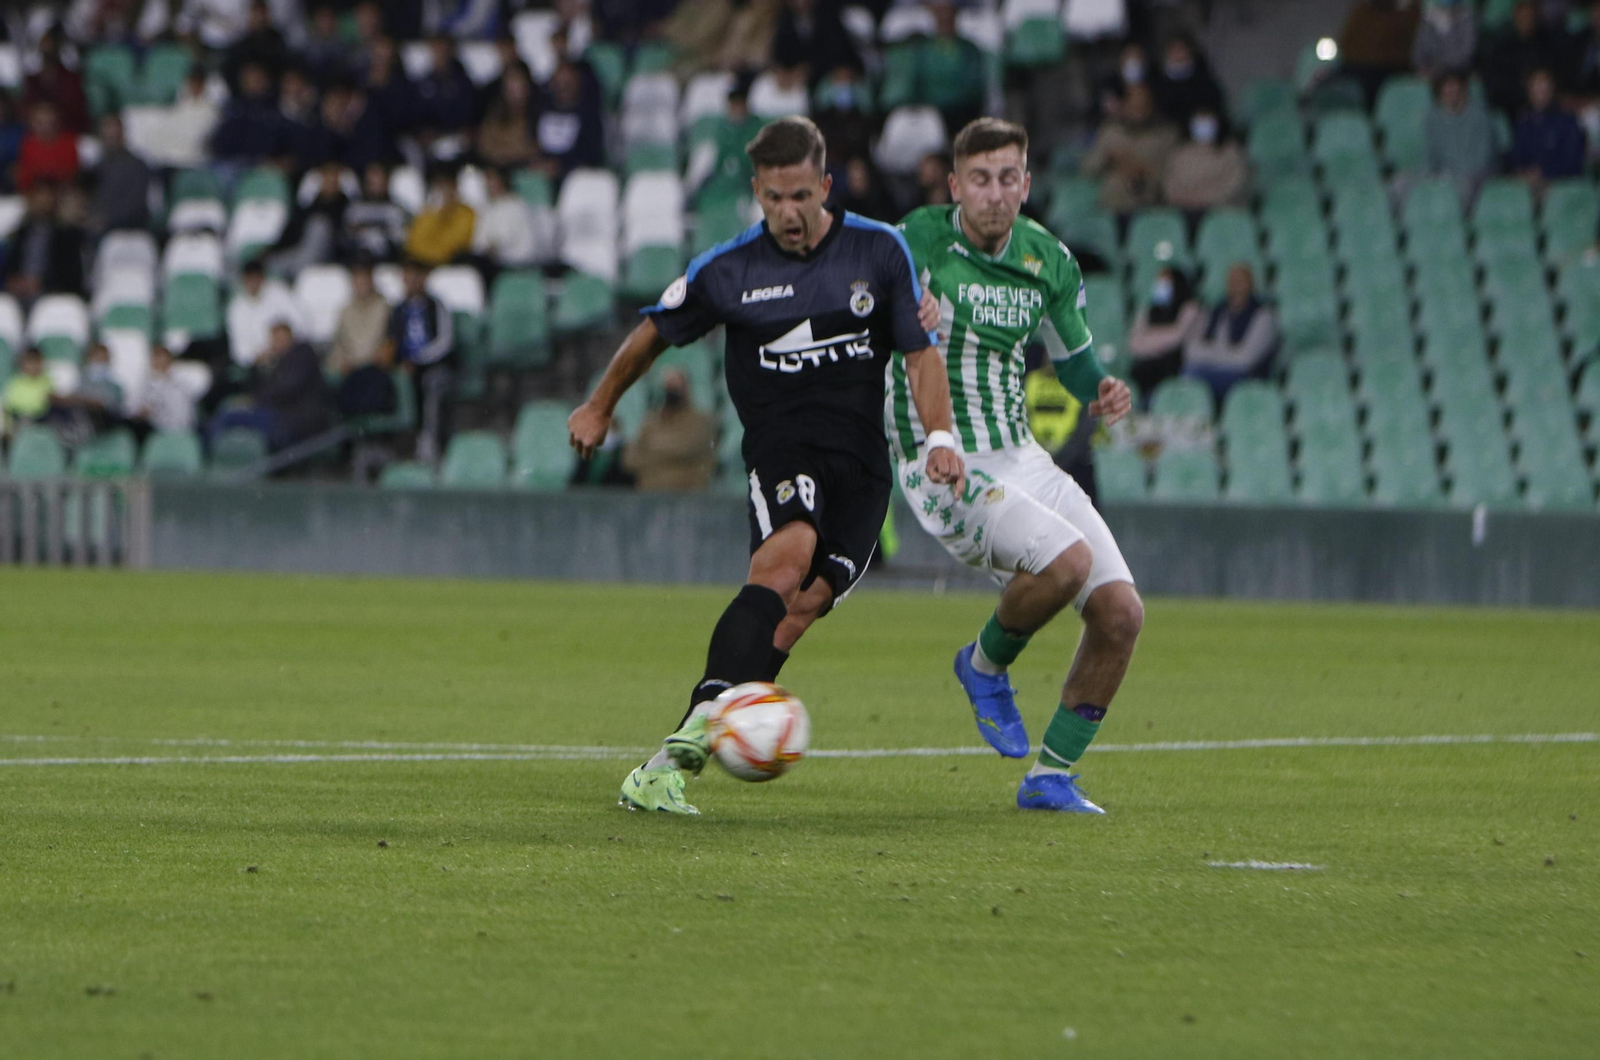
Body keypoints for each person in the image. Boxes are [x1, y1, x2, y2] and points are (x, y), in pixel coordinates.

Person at [567, 116, 961, 814]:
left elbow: (920, 352)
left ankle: (673, 758)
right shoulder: (729, 269)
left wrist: (939, 437)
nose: (789, 212)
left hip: (862, 467)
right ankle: (697, 728)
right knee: (784, 564)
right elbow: (653, 334)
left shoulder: (878, 250)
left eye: (801, 196)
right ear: (757, 192)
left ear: (825, 187)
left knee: (800, 608)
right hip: (783, 445)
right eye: (775, 198)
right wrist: (600, 406)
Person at [893, 118, 1141, 815]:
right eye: (980, 179)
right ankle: (984, 664)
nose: (995, 194)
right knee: (1066, 563)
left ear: (1026, 184)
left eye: (1008, 179)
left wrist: (1101, 388)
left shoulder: (1049, 260)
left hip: (1020, 456)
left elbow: (1076, 362)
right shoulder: (912, 242)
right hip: (940, 458)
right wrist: (895, 313)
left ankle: (1050, 777)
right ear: (954, 186)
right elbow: (857, 311)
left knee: (1121, 613)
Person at [209, 321, 337, 451]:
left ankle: (208, 449)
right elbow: (256, 388)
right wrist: (257, 367)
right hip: (277, 414)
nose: (278, 343)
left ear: (291, 338)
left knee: (231, 416)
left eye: (281, 338)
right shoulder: (277, 361)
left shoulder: (302, 354)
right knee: (228, 411)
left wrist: (253, 400)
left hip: (296, 419)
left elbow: (288, 389)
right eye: (275, 340)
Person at [384, 259, 454, 462]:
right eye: (408, 277)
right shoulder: (398, 310)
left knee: (432, 383)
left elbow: (445, 342)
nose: (412, 281)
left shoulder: (436, 306)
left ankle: (428, 439)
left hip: (434, 365)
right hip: (407, 367)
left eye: (416, 276)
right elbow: (392, 341)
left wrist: (418, 360)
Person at [1182, 263, 1279, 404]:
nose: (1235, 285)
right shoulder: (1215, 312)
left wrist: (1210, 352)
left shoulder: (1263, 316)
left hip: (1247, 380)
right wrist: (1228, 352)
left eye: (1240, 281)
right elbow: (1191, 351)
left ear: (1251, 284)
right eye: (1232, 281)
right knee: (1188, 373)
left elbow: (1245, 360)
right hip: (1212, 372)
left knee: (1193, 375)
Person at [1080, 82, 1178, 215]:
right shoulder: (1110, 133)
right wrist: (1107, 157)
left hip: (1150, 210)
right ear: (1124, 105)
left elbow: (1173, 176)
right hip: (1112, 208)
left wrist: (1142, 173)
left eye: (1144, 105)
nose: (1139, 111)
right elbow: (1088, 169)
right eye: (1134, 105)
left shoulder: (1166, 136)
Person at [623, 369, 717, 491]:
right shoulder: (650, 421)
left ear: (686, 389)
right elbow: (629, 459)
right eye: (668, 387)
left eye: (675, 387)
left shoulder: (700, 421)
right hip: (649, 494)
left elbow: (684, 449)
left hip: (686, 495)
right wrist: (667, 453)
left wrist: (651, 448)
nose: (671, 392)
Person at [3, 182, 87, 303]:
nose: (42, 201)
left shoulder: (67, 236)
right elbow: (9, 267)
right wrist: (14, 281)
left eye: (47, 196)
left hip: (52, 296)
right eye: (38, 196)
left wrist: (41, 283)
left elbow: (72, 276)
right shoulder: (21, 232)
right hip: (18, 296)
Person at [1425, 70, 1498, 206]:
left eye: (1455, 88)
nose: (1451, 93)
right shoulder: (1433, 120)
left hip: (1471, 181)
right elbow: (1431, 160)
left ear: (1463, 90)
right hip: (1442, 179)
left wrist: (1453, 177)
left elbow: (1483, 163)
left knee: (1459, 188)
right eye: (1446, 89)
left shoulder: (1481, 119)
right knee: (1400, 184)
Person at [1510, 67, 1587, 192]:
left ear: (1552, 89)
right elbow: (1517, 158)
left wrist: (1545, 173)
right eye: (1535, 87)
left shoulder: (1567, 121)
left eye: (1544, 87)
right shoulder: (1524, 122)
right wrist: (1525, 173)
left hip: (1560, 186)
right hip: (1527, 185)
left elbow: (1573, 162)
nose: (1539, 92)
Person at [1128, 265, 1200, 398]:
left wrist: (1148, 336)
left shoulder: (1189, 307)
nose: (1161, 286)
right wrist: (1159, 340)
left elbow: (1176, 337)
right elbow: (1134, 343)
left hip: (1175, 365)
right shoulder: (1147, 308)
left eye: (1166, 283)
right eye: (1159, 282)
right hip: (1145, 365)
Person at [1482, 0, 1564, 115]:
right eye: (1523, 15)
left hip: (1544, 107)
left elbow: (1552, 76)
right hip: (1509, 109)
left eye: (1529, 15)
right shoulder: (1501, 44)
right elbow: (1495, 84)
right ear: (1515, 15)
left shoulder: (1546, 42)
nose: (1526, 19)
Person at [1337, 0, 1423, 107]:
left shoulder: (1405, 16)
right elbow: (1346, 44)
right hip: (1360, 67)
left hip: (1390, 69)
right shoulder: (1362, 12)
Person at [1162, 108, 1250, 212]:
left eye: (1207, 122)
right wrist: (1184, 199)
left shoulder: (1231, 152)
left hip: (1220, 211)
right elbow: (1170, 184)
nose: (1203, 127)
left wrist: (1202, 199)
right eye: (1199, 123)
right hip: (1182, 210)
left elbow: (1233, 185)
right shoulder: (1179, 154)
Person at [227, 259, 307, 369]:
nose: (253, 284)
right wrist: (259, 357)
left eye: (256, 279)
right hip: (258, 365)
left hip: (289, 355)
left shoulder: (279, 293)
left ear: (262, 278)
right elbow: (239, 350)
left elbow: (300, 324)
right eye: (249, 280)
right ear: (243, 281)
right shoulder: (236, 308)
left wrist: (283, 342)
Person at [87, 114, 152, 235]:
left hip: (129, 229)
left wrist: (106, 220)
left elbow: (136, 204)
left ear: (122, 135)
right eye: (107, 137)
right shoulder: (95, 168)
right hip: (96, 227)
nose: (111, 141)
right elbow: (90, 200)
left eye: (115, 136)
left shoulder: (137, 166)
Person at [471, 166, 542, 272]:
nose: (488, 185)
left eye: (492, 180)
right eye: (486, 181)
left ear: (503, 181)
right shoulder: (487, 208)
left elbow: (503, 240)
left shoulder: (516, 205)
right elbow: (479, 241)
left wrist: (488, 250)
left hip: (517, 262)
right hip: (496, 262)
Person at [1150, 33, 1227, 129]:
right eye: (1174, 50)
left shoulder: (1204, 81)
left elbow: (1215, 111)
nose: (1178, 55)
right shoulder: (1156, 80)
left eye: (1181, 49)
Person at [21, 28, 89, 136]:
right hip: (38, 136)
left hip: (68, 132)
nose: (47, 49)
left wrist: (53, 115)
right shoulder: (32, 80)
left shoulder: (72, 78)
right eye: (44, 46)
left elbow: (77, 109)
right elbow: (27, 109)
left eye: (50, 46)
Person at [404, 167, 476, 267]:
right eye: (438, 186)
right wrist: (435, 214)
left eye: (445, 186)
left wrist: (445, 213)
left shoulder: (466, 214)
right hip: (421, 266)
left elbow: (455, 248)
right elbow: (413, 245)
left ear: (454, 188)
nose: (441, 191)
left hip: (450, 267)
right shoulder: (427, 214)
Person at [476, 64, 542, 169]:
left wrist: (505, 153)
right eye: (509, 84)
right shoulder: (495, 110)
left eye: (517, 83)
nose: (513, 90)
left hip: (522, 169)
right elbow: (484, 144)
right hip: (492, 168)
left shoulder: (536, 113)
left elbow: (531, 149)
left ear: (527, 86)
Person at [343, 162, 410, 261]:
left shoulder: (396, 209)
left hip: (388, 261)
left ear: (386, 182)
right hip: (358, 260)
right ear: (364, 183)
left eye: (379, 182)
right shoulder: (354, 209)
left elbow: (400, 239)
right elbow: (348, 236)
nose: (376, 187)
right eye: (371, 183)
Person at [133, 345, 198, 436]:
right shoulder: (147, 384)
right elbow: (142, 410)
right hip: (158, 431)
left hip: (183, 429)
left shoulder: (182, 380)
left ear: (169, 360)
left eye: (162, 359)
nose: (159, 362)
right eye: (156, 359)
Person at [17, 102, 80, 193]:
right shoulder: (27, 144)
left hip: (65, 191)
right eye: (40, 123)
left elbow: (72, 172)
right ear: (31, 123)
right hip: (36, 192)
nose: (45, 127)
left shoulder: (70, 141)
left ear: (57, 122)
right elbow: (25, 176)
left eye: (49, 122)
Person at [1412, 0, 1478, 80]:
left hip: (1459, 74)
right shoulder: (1429, 17)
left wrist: (1441, 70)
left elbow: (1466, 54)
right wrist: (1422, 67)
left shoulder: (1466, 17)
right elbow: (1418, 52)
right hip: (1431, 73)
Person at [2, 347, 52, 436]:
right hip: (17, 419)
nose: (33, 366)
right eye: (30, 362)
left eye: (36, 362)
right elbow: (9, 407)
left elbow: (47, 404)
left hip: (40, 420)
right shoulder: (15, 381)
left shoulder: (47, 381)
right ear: (23, 363)